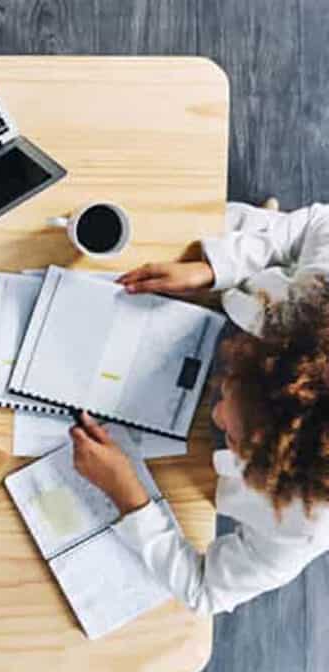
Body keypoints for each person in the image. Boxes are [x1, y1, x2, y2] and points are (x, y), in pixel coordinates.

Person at [69, 200, 329, 614]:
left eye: (235, 435)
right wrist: (215, 269)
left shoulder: (305, 527)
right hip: (242, 291)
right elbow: (318, 222)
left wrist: (129, 497)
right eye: (230, 390)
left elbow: (207, 591)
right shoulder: (323, 290)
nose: (215, 414)